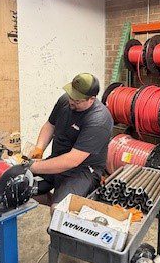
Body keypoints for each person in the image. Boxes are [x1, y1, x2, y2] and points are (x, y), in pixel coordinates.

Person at [29, 72, 113, 204]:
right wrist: (39, 149)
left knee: (59, 209)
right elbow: (50, 125)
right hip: (58, 159)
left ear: (91, 99)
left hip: (83, 170)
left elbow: (72, 160)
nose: (71, 101)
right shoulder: (65, 101)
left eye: (77, 100)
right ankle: (54, 200)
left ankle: (58, 204)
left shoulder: (99, 120)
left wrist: (32, 167)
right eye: (71, 96)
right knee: (21, 187)